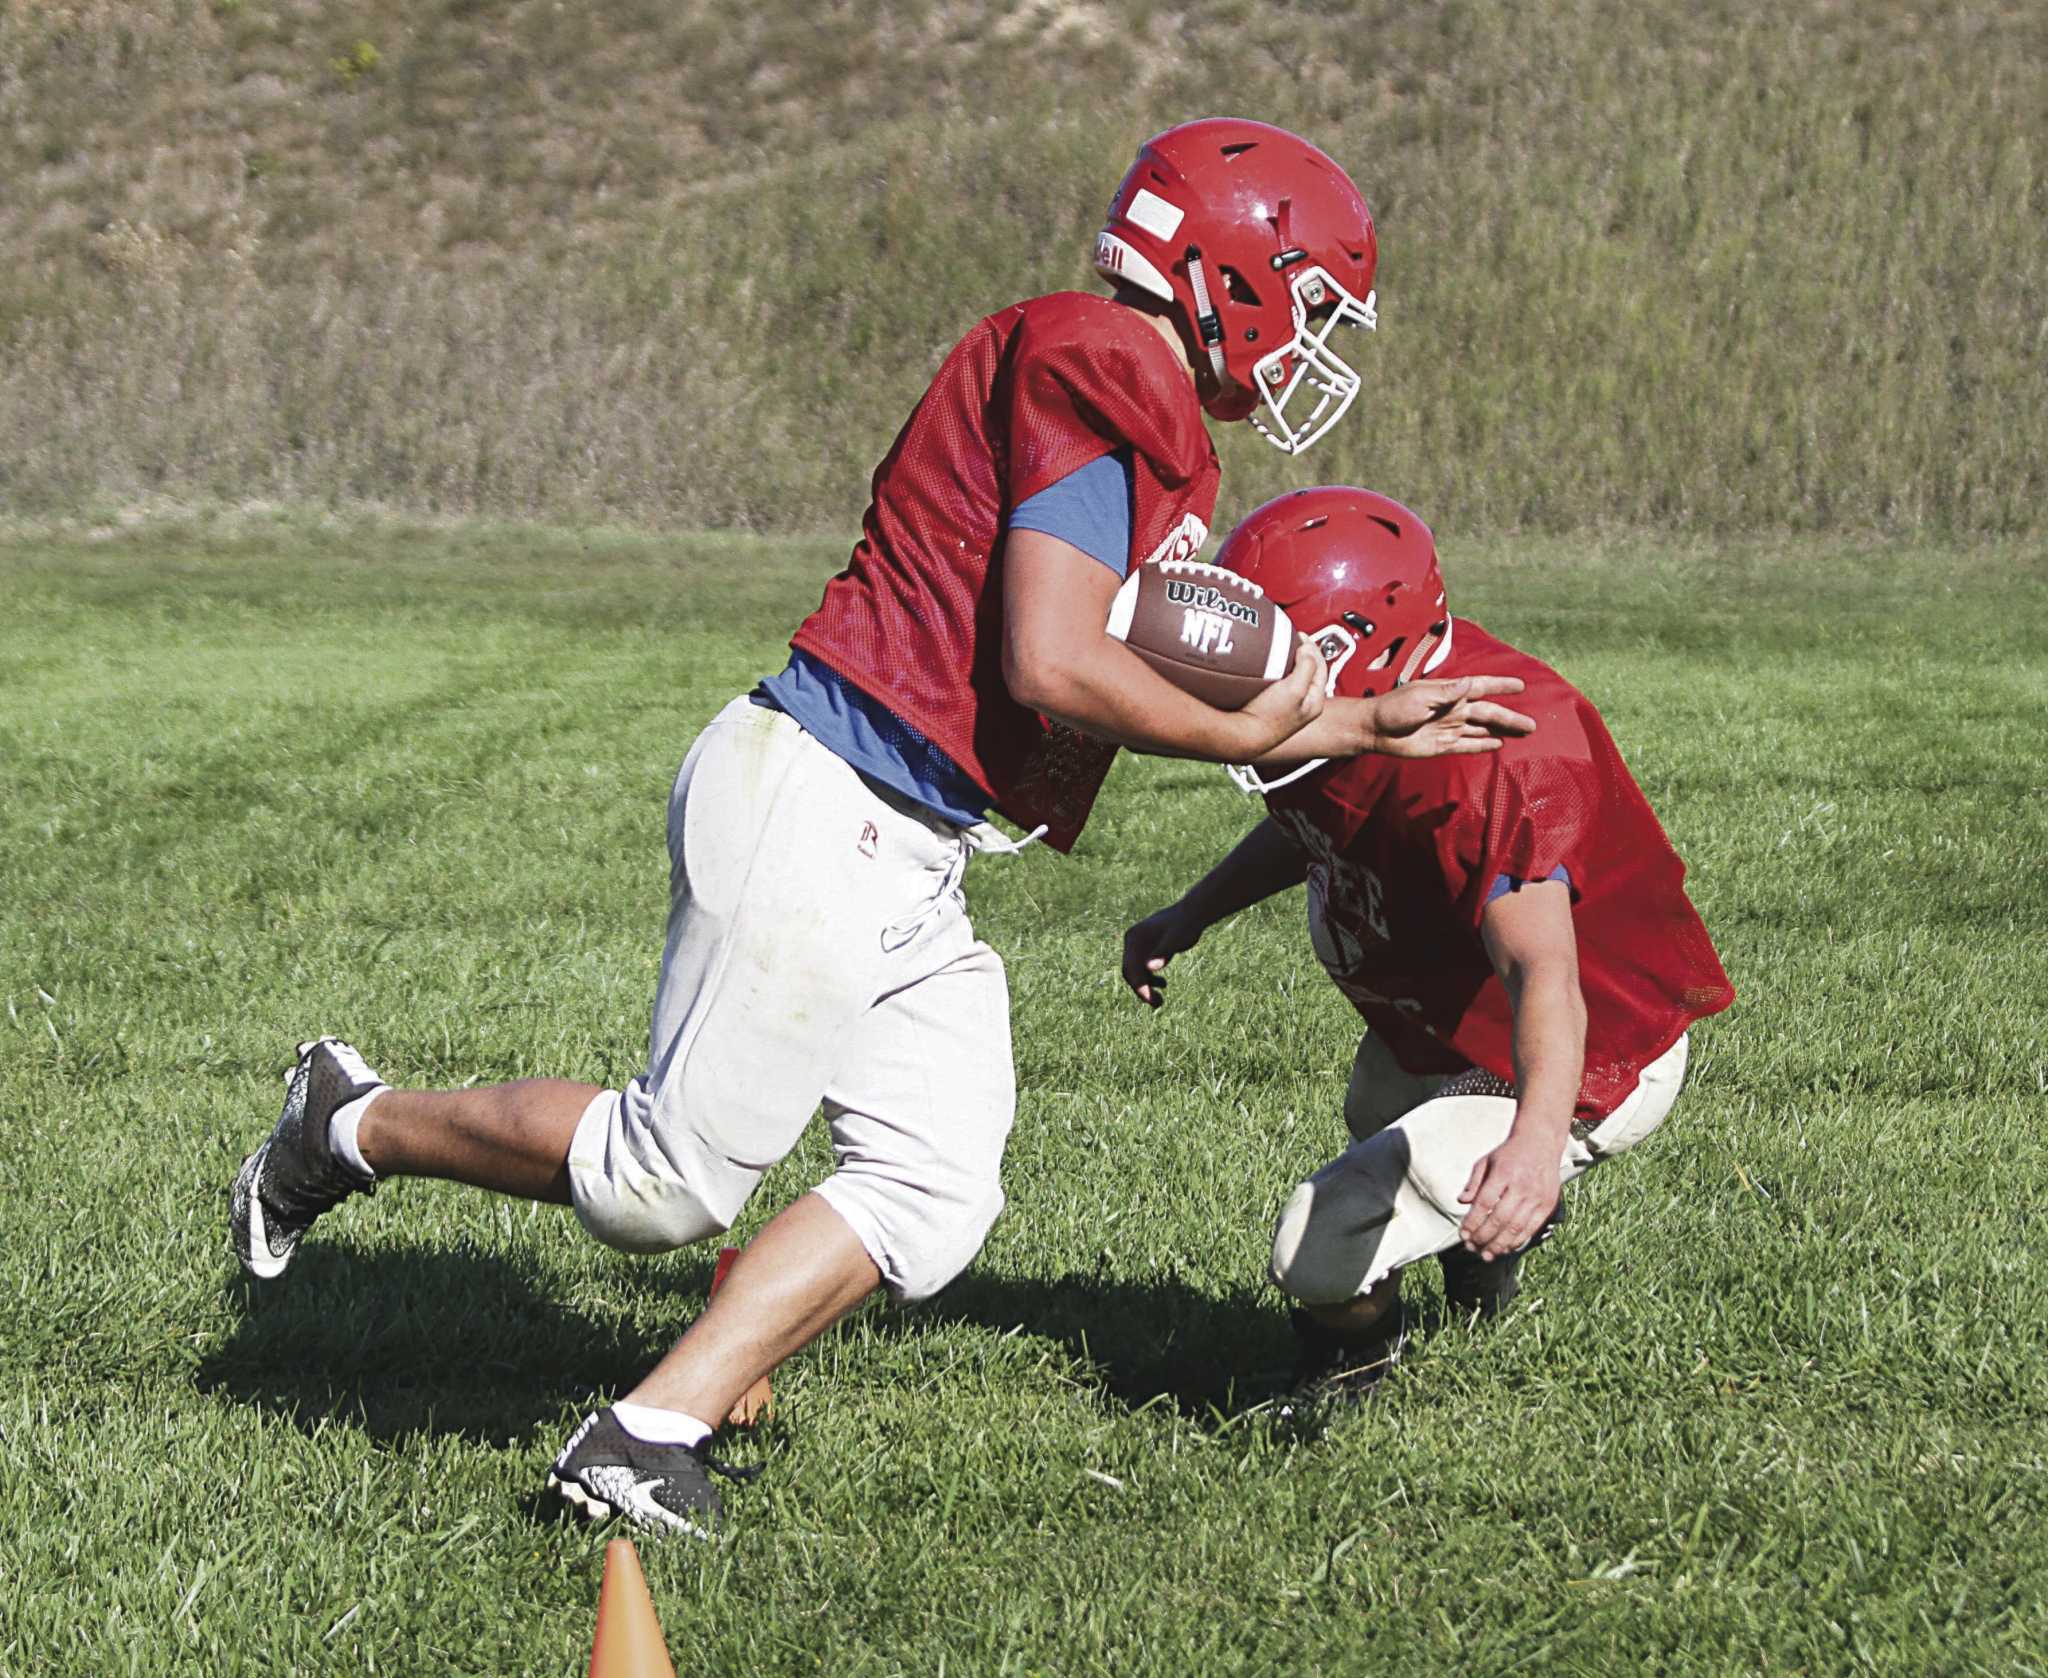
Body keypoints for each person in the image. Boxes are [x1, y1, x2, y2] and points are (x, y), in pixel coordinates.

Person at [230, 123, 1533, 1537]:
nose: (1307, 351)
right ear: (1233, 273)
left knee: (933, 1181)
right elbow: (1048, 658)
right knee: (663, 1183)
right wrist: (1291, 728)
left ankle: (643, 1435)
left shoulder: (1125, 387)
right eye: (1310, 304)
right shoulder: (1109, 363)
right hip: (828, 796)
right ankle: (342, 1120)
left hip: (910, 838)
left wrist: (1309, 715)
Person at [1121, 486, 1734, 1397]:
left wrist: (1532, 1142)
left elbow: (1542, 971)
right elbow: (1319, 820)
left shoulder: (1494, 753)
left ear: (1353, 648)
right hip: (1455, 1016)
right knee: (1379, 1106)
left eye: (1278, 653)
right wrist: (1195, 909)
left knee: (1317, 1244)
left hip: (1591, 1043)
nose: (1252, 678)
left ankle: (1351, 1362)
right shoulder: (1381, 698)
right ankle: (1479, 1262)